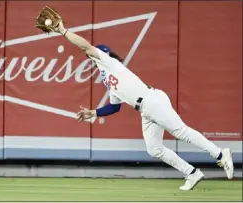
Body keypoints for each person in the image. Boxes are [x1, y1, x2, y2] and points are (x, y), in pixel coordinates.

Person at [56, 20, 234, 191]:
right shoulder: (109, 80)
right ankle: (192, 173)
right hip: (145, 109)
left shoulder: (110, 62)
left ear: (102, 54)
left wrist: (63, 31)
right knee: (154, 149)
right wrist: (94, 112)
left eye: (93, 53)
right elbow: (114, 107)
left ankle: (220, 154)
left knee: (181, 132)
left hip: (152, 101)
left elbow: (85, 46)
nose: (90, 55)